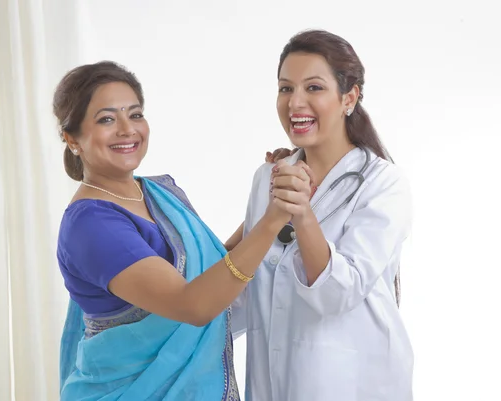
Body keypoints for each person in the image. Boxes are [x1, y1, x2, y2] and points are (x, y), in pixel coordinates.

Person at [54, 61, 298, 400]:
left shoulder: (157, 193)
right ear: (72, 139)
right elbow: (193, 304)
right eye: (107, 119)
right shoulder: (92, 224)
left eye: (135, 114)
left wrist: (272, 195)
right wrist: (273, 219)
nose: (127, 129)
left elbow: (214, 272)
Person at [229, 30, 414, 401]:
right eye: (285, 89)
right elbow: (242, 291)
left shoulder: (382, 185)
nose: (295, 103)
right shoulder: (267, 177)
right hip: (272, 385)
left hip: (356, 385)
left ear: (349, 97)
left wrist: (301, 213)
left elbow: (336, 295)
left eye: (313, 88)